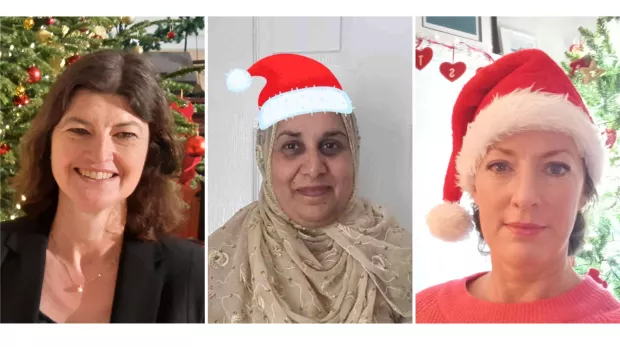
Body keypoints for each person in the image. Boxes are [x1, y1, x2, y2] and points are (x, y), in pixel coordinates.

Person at [416, 48, 620, 323]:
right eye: (500, 166)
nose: (525, 197)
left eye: (556, 168)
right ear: (473, 186)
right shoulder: (420, 313)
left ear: (585, 190)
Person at [0, 50, 205, 323]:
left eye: (124, 135)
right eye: (79, 131)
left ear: (151, 153)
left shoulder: (194, 275)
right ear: (49, 143)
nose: (100, 154)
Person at [209, 53, 412, 323]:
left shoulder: (396, 252)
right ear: (265, 158)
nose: (314, 168)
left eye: (331, 146)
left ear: (353, 153)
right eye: (292, 147)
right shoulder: (219, 262)